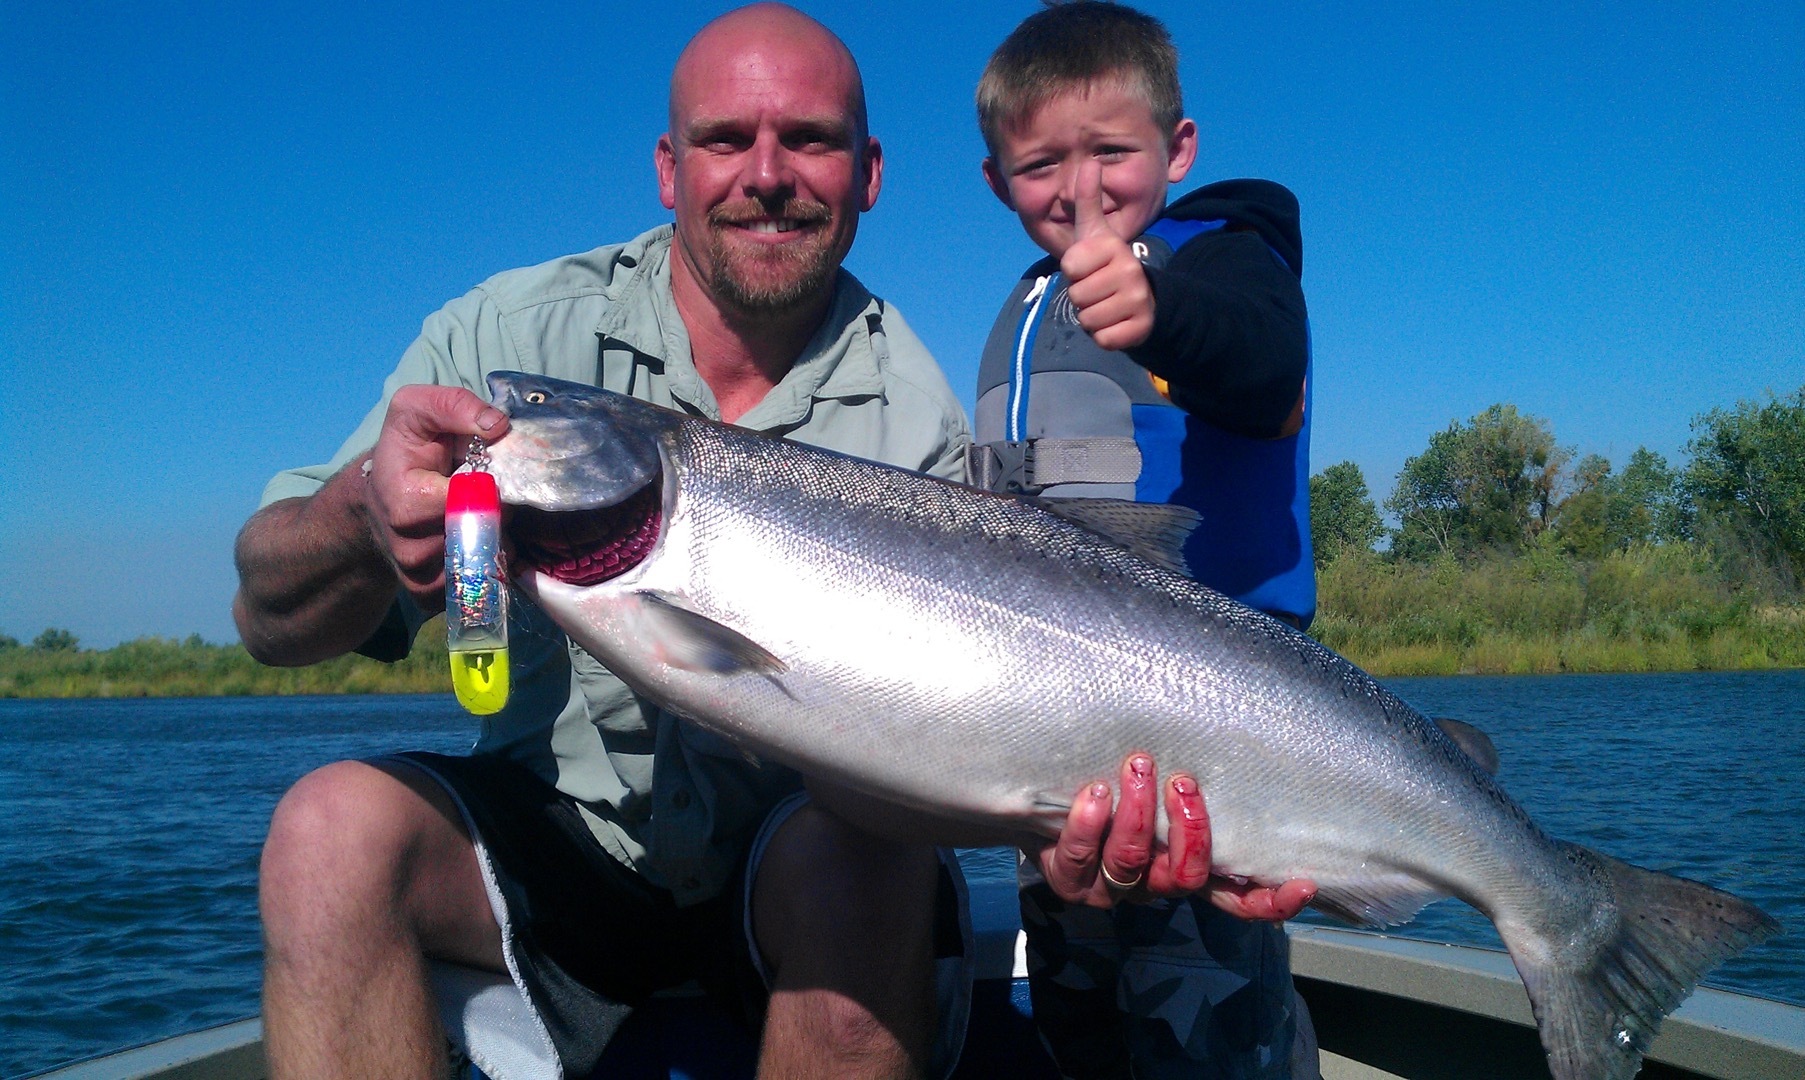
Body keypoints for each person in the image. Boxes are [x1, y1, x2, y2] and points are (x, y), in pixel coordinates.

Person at [234, 4, 1308, 1078]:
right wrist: (354, 520)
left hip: (795, 848)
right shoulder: (505, 343)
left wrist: (1048, 822)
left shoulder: (917, 417)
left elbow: (907, 769)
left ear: (867, 172)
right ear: (668, 167)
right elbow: (268, 617)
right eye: (722, 140)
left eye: (807, 140)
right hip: (557, 838)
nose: (765, 174)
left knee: (869, 866)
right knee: (326, 835)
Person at [968, 3, 1320, 1078]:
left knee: (1208, 1037)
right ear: (994, 181)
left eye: (1110, 151)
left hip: (1209, 741)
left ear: (1177, 150)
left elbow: (1261, 363)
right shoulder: (1022, 307)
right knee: (1077, 1035)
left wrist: (1163, 310)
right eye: (1039, 165)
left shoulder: (1221, 261)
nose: (1078, 188)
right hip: (1057, 770)